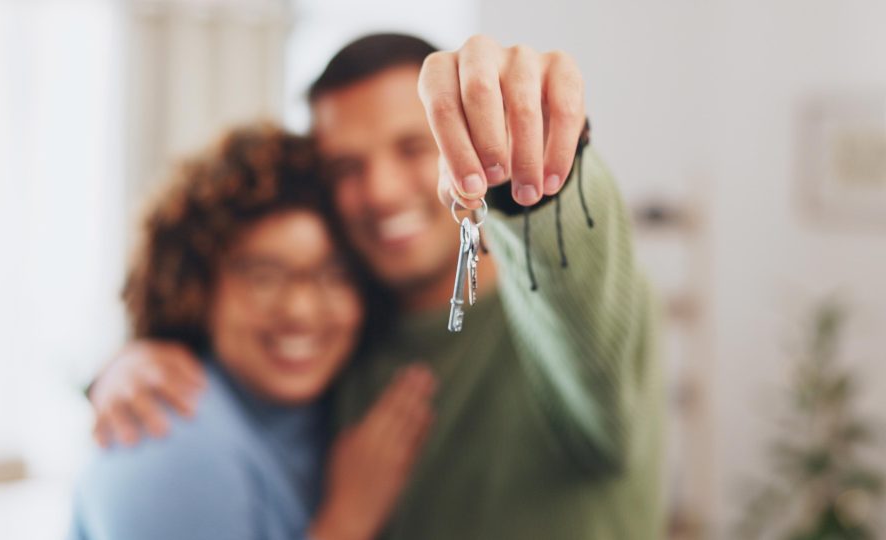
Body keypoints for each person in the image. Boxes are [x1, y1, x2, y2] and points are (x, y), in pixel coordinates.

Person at [89, 33, 664, 539]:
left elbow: (578, 288)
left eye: (413, 149)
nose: (382, 191)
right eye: (346, 168)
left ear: (459, 141)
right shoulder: (352, 338)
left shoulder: (563, 326)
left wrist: (533, 168)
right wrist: (132, 357)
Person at [69, 125, 437, 540]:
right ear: (200, 287)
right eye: (264, 277)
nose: (300, 310)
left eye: (336, 275)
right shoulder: (167, 439)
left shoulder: (342, 409)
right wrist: (346, 523)